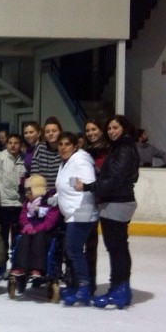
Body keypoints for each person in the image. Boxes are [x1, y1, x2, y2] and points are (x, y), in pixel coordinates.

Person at [79, 115, 141, 309]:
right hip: (114, 201)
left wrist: (90, 187)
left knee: (117, 247)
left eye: (115, 128)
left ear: (124, 128)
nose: (112, 131)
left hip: (117, 201)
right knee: (117, 247)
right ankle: (118, 288)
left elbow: (115, 178)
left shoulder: (124, 149)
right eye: (110, 129)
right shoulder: (120, 147)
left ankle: (120, 290)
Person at [55, 131, 99, 306]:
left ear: (75, 146)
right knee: (72, 251)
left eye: (67, 144)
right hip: (73, 213)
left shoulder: (81, 160)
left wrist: (80, 185)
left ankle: (83, 288)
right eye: (61, 144)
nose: (63, 147)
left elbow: (88, 181)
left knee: (73, 251)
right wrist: (53, 198)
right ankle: (77, 286)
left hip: (82, 213)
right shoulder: (65, 163)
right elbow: (67, 185)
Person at [9, 173, 60, 295]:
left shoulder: (50, 202)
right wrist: (27, 225)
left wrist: (37, 228)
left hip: (44, 233)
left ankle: (37, 268)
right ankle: (20, 267)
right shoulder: (27, 204)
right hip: (29, 231)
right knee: (23, 238)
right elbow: (22, 216)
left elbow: (51, 220)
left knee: (39, 238)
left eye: (29, 190)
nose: (27, 194)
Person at [82, 118, 109, 288]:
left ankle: (117, 284)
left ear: (101, 130)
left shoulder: (109, 151)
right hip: (89, 201)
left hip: (106, 202)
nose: (91, 133)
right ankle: (88, 281)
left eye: (94, 129)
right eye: (88, 130)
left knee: (112, 245)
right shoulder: (86, 152)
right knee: (89, 243)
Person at [29, 117, 63, 189]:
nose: (50, 134)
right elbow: (35, 174)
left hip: (61, 193)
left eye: (54, 131)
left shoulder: (64, 148)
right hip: (43, 194)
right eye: (47, 132)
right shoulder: (40, 148)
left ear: (60, 132)